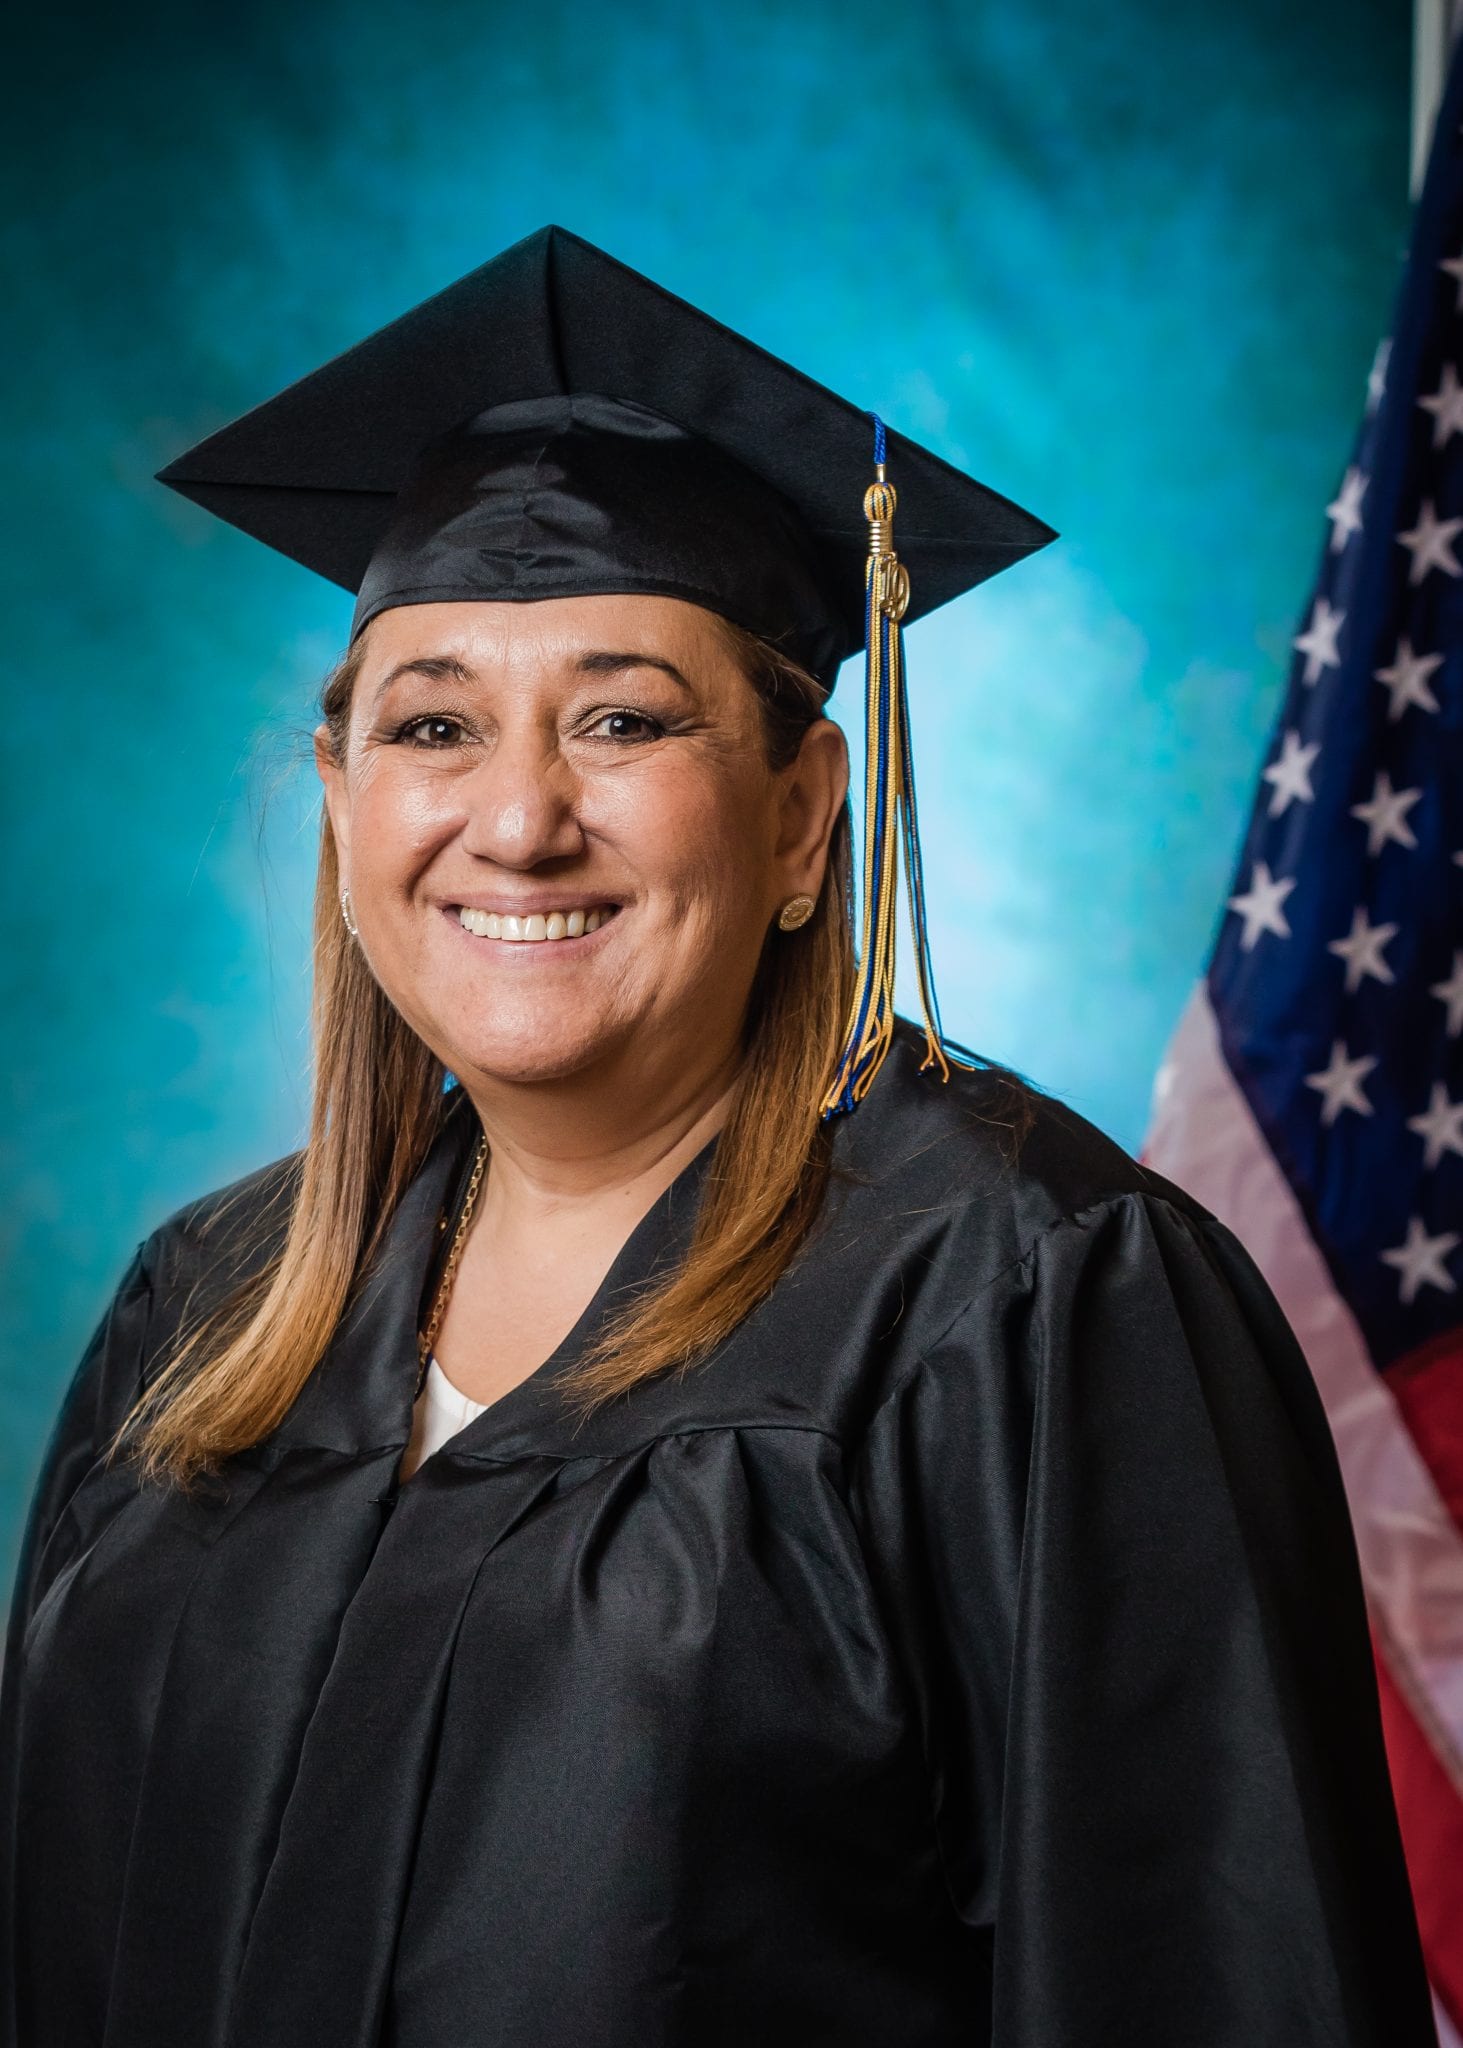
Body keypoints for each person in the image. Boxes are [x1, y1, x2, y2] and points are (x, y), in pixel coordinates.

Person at [0, 225, 1437, 2048]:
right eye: (433, 725)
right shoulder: (206, 1309)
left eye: (622, 719)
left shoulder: (1029, 1301)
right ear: (345, 801)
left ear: (801, 813)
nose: (518, 819)